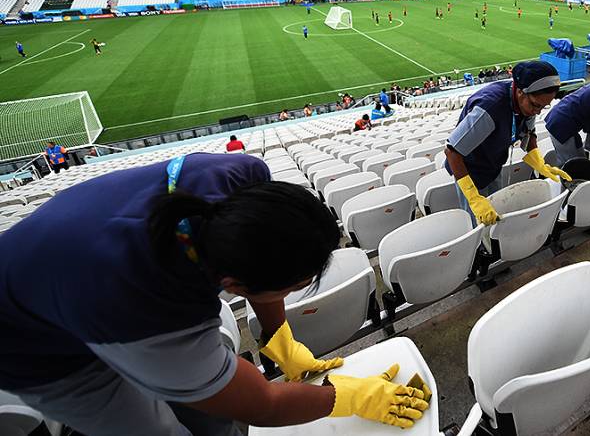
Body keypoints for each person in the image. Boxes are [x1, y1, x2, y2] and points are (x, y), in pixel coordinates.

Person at [0, 154, 430, 435]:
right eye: (290, 287)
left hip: (74, 274)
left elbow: (266, 255)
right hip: (34, 345)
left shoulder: (243, 180)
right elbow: (262, 406)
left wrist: (278, 333)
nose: (295, 291)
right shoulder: (147, 304)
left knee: (210, 414)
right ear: (234, 288)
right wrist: (351, 395)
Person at [444, 60, 571, 226]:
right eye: (535, 105)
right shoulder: (490, 108)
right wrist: (474, 197)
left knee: (498, 210)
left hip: (494, 162)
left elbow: (529, 132)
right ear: (520, 92)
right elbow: (452, 152)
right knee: (480, 221)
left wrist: (539, 162)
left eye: (543, 107)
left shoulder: (527, 103)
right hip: (470, 171)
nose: (538, 111)